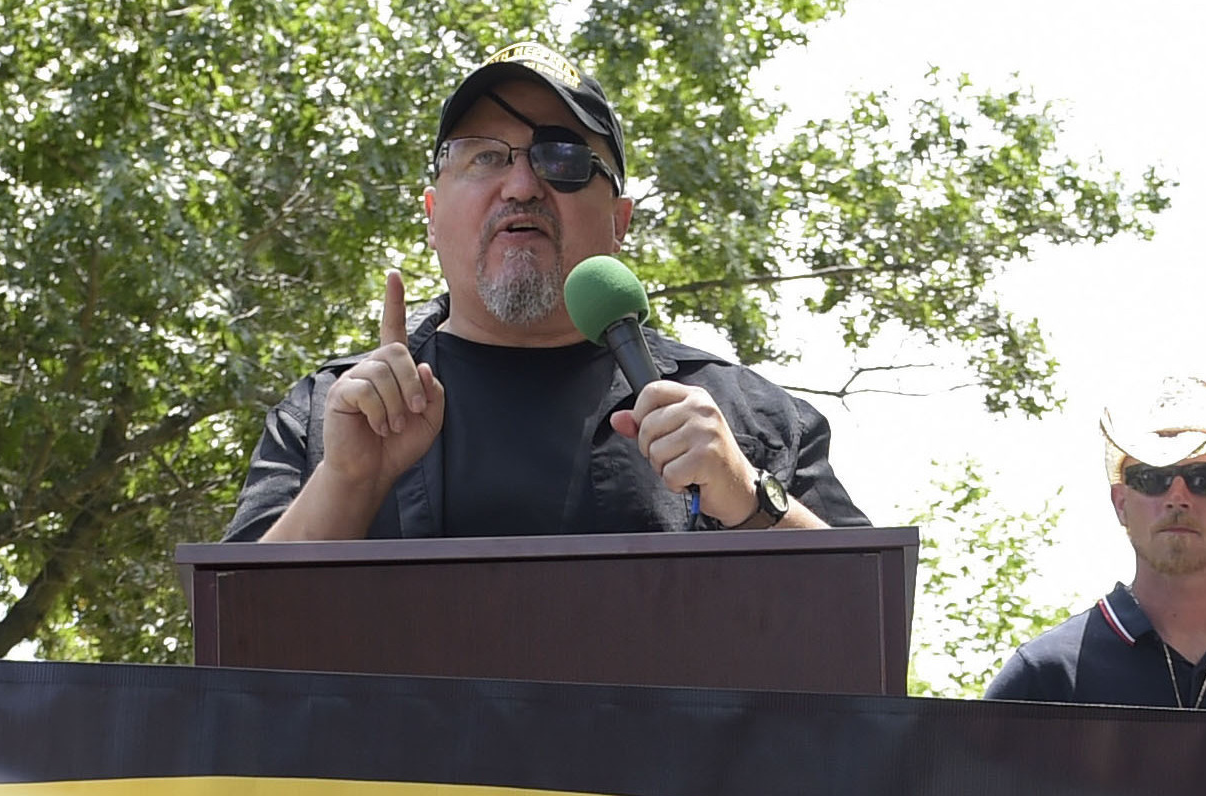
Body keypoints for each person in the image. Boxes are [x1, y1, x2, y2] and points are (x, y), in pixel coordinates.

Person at [226, 41, 865, 542]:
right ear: (431, 212)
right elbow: (234, 646)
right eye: (484, 157)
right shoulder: (330, 414)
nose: (523, 185)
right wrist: (347, 481)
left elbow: (865, 625)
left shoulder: (742, 418)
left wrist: (746, 497)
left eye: (561, 158)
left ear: (619, 222)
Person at [984, 377, 1206, 713]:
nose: (1177, 497)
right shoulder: (1044, 676)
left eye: (1205, 477)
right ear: (1121, 503)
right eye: (1152, 477)